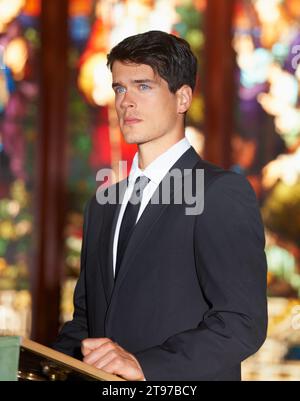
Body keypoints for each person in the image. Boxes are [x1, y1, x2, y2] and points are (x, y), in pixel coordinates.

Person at [53, 30, 268, 381]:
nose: (126, 102)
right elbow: (86, 323)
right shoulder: (103, 204)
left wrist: (146, 366)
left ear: (183, 98)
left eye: (143, 86)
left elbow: (241, 323)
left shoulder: (220, 193)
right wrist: (38, 364)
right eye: (120, 88)